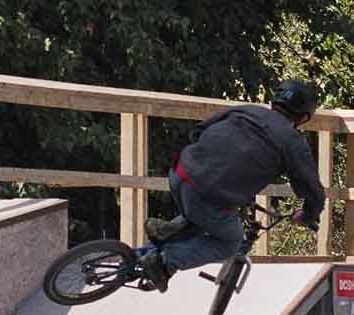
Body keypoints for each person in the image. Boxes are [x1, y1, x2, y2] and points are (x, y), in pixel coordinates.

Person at [138, 79, 326, 293]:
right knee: (230, 241)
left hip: (180, 173)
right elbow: (313, 191)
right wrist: (308, 215)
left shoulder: (246, 110)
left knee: (206, 214)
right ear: (303, 118)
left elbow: (198, 131)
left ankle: (168, 230)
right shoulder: (292, 141)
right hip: (206, 195)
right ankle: (165, 263)